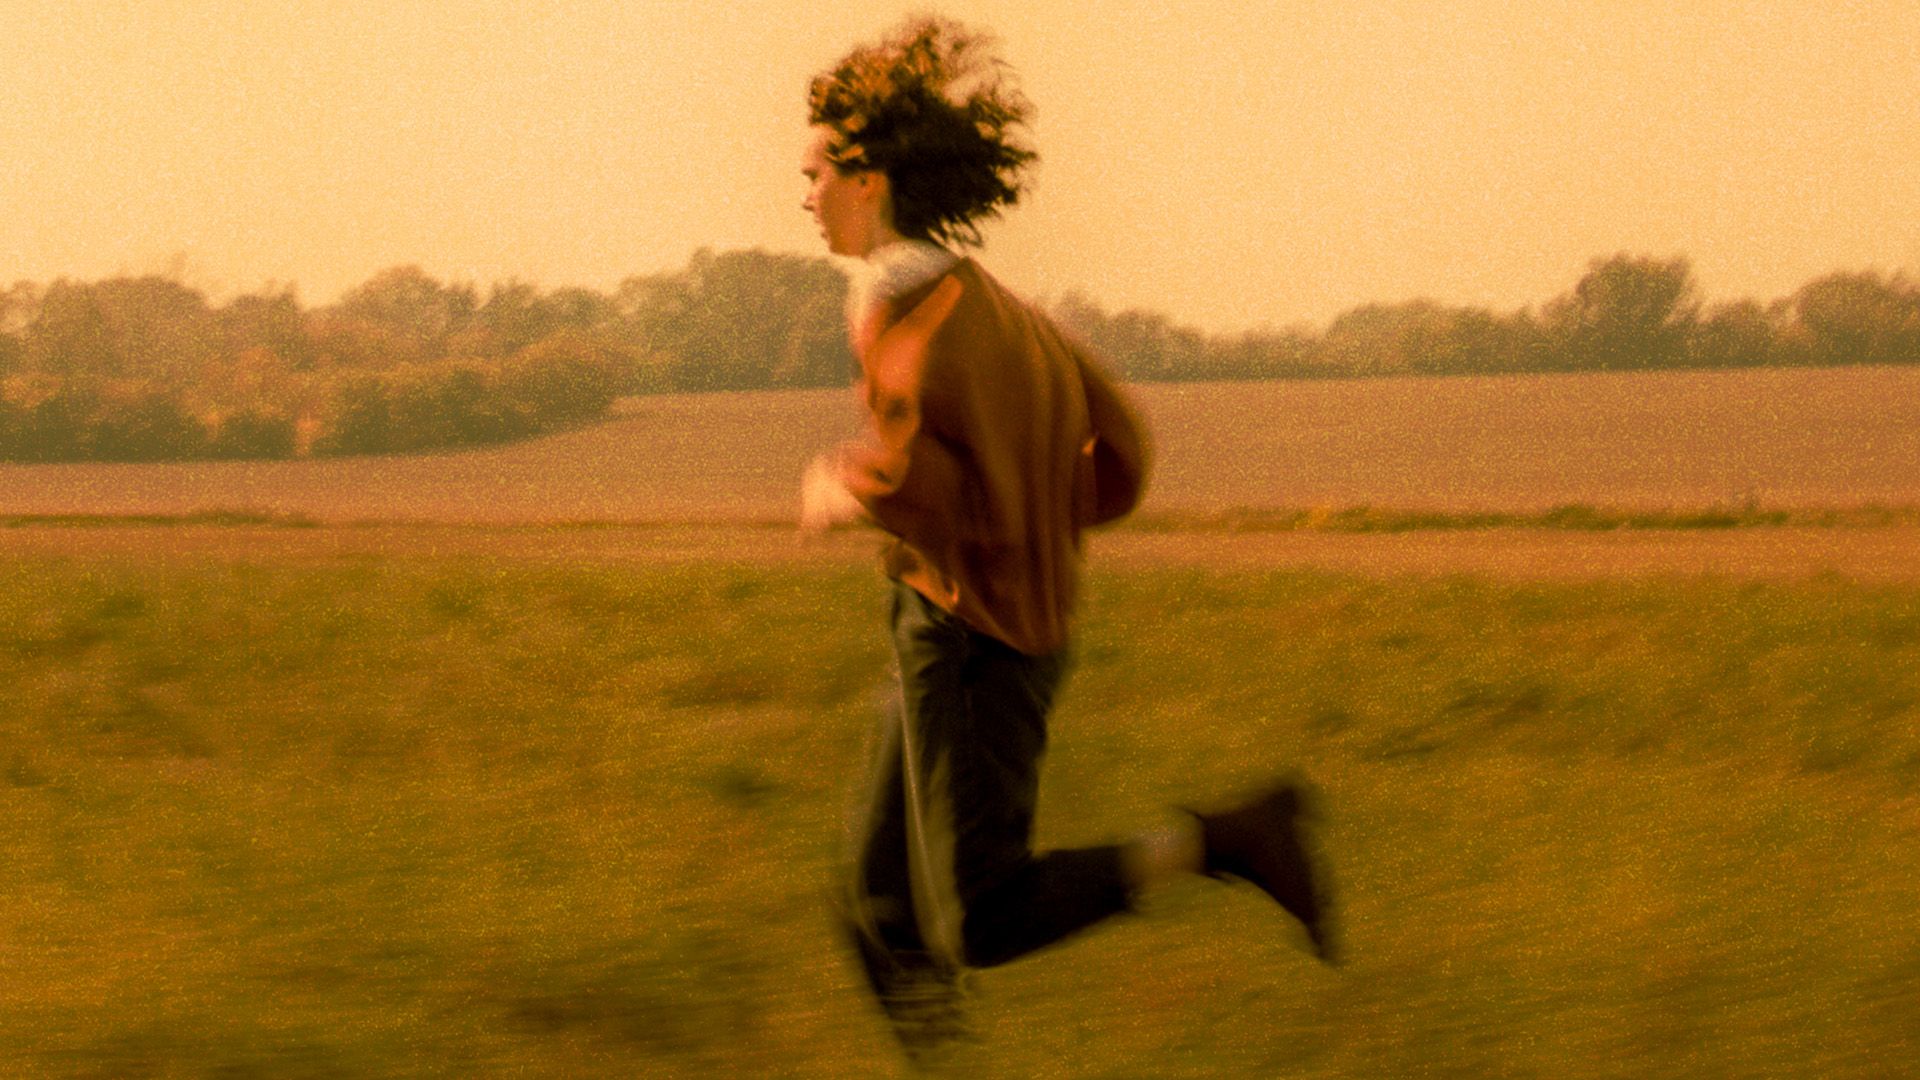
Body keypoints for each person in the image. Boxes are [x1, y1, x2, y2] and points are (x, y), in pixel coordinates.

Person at [797, 15, 1336, 1063]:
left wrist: (844, 483)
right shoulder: (1011, 308)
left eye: (814, 170)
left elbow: (916, 476)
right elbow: (1124, 453)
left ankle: (1229, 839)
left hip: (961, 638)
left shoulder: (890, 299)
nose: (802, 195)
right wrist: (1033, 522)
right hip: (1008, 629)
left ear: (868, 179)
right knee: (874, 902)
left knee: (980, 916)